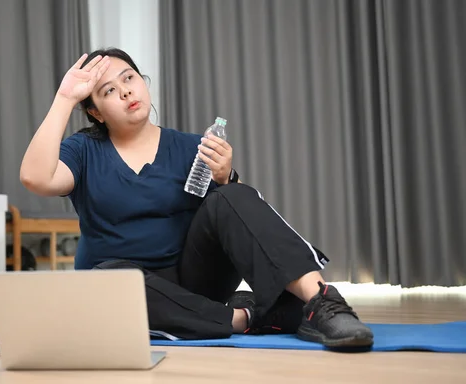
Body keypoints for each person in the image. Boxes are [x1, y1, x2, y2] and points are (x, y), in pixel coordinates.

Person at [20, 47, 374, 348]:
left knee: (233, 194)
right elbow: (36, 178)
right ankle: (245, 317)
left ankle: (322, 304)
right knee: (111, 279)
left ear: (144, 82)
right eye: (109, 91)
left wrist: (227, 177)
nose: (126, 92)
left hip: (196, 279)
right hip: (124, 290)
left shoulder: (193, 146)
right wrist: (66, 99)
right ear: (95, 111)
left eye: (129, 78)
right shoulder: (83, 150)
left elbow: (240, 221)